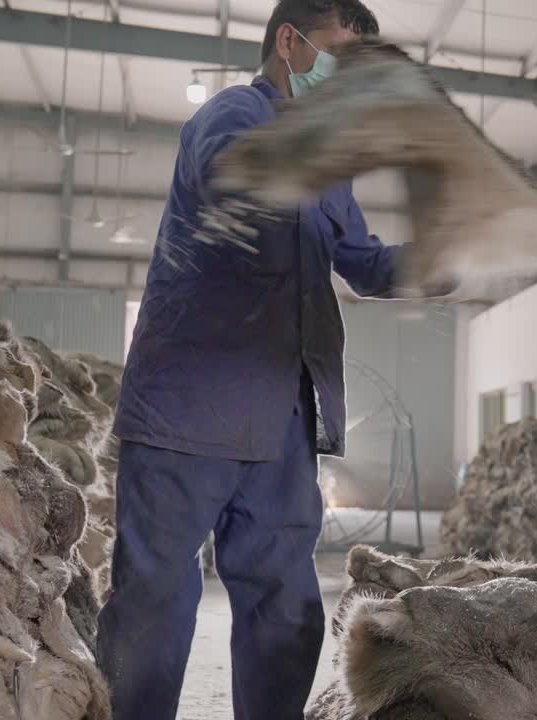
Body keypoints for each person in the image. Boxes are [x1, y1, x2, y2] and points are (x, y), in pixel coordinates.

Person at [96, 0, 395, 717]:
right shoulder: (232, 114)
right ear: (288, 42)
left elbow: (364, 264)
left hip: (284, 420)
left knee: (285, 612)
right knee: (155, 607)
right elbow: (231, 176)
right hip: (186, 413)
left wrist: (445, 256)